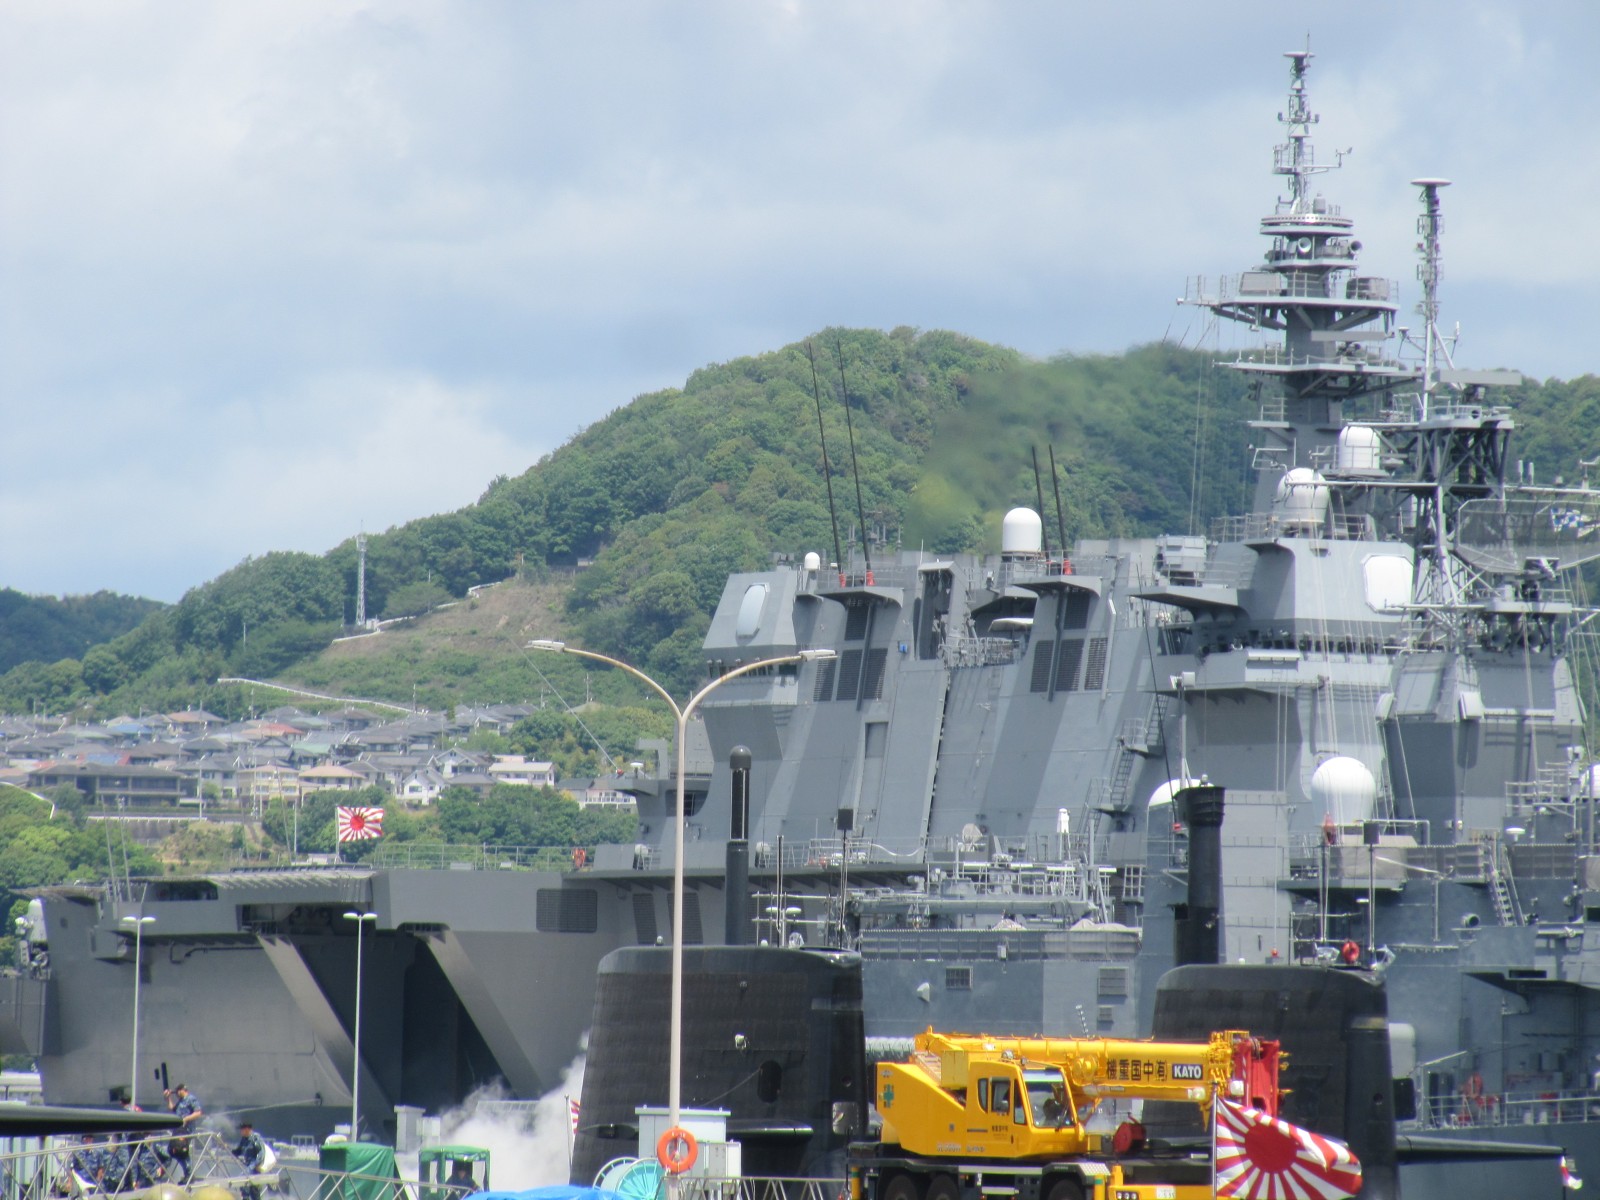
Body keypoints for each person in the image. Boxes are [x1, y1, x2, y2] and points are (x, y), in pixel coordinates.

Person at [164, 1083, 203, 1182]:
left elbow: (198, 1112)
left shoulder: (191, 1099)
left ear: (183, 1090)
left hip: (186, 1130)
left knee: (181, 1150)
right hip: (178, 1130)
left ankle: (189, 1174)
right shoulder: (180, 1101)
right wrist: (168, 1098)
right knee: (173, 1150)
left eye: (178, 1091)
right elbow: (172, 1109)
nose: (177, 1094)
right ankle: (188, 1172)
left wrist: (186, 1119)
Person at [234, 1122, 267, 1200]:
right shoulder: (244, 1140)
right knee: (249, 1188)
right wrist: (227, 1148)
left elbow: (261, 1153)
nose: (240, 1132)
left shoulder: (255, 1139)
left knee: (246, 1183)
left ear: (247, 1130)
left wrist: (254, 1165)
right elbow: (239, 1151)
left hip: (254, 1167)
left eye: (241, 1130)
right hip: (248, 1166)